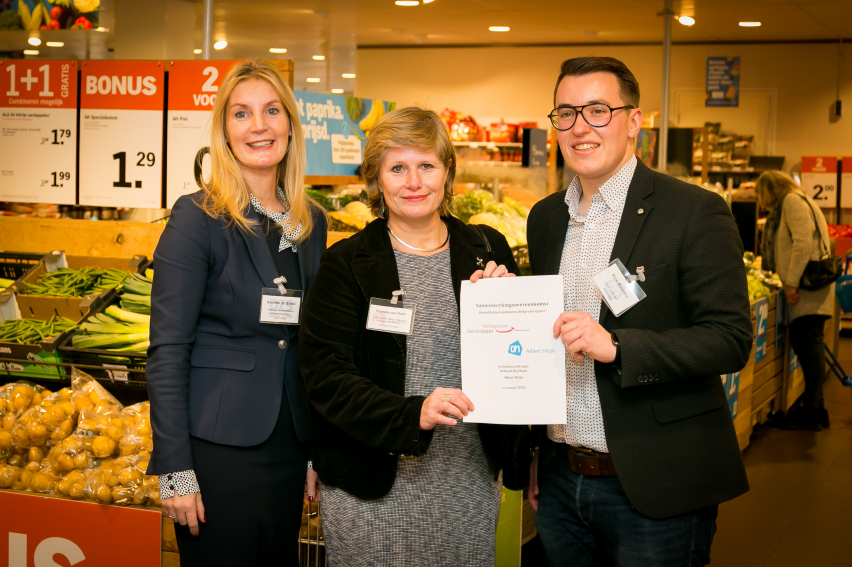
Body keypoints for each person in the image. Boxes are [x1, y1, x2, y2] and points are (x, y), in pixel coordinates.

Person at [526, 56, 753, 566]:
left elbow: (730, 337)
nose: (580, 127)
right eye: (566, 113)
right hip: (562, 479)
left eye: (598, 110)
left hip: (657, 483)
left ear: (634, 121)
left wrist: (619, 347)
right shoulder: (544, 219)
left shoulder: (693, 211)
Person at [299, 107, 529, 567]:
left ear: (447, 172)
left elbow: (520, 362)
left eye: (426, 165)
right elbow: (326, 376)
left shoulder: (487, 250)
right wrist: (411, 413)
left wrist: (510, 308)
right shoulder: (346, 263)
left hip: (467, 479)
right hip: (371, 487)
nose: (414, 181)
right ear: (377, 180)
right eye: (397, 168)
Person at [146, 59, 326, 566]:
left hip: (288, 443)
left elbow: (308, 342)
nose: (259, 126)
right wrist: (175, 469)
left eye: (272, 111)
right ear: (224, 131)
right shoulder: (197, 217)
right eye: (242, 114)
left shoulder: (310, 220)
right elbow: (166, 351)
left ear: (290, 123)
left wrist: (313, 448)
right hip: (217, 449)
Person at [757, 170, 835, 430]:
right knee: (810, 348)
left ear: (771, 189)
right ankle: (818, 409)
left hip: (807, 291)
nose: (761, 200)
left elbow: (802, 243)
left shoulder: (791, 201)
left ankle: (812, 412)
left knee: (809, 349)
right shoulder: (801, 199)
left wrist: (791, 282)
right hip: (811, 289)